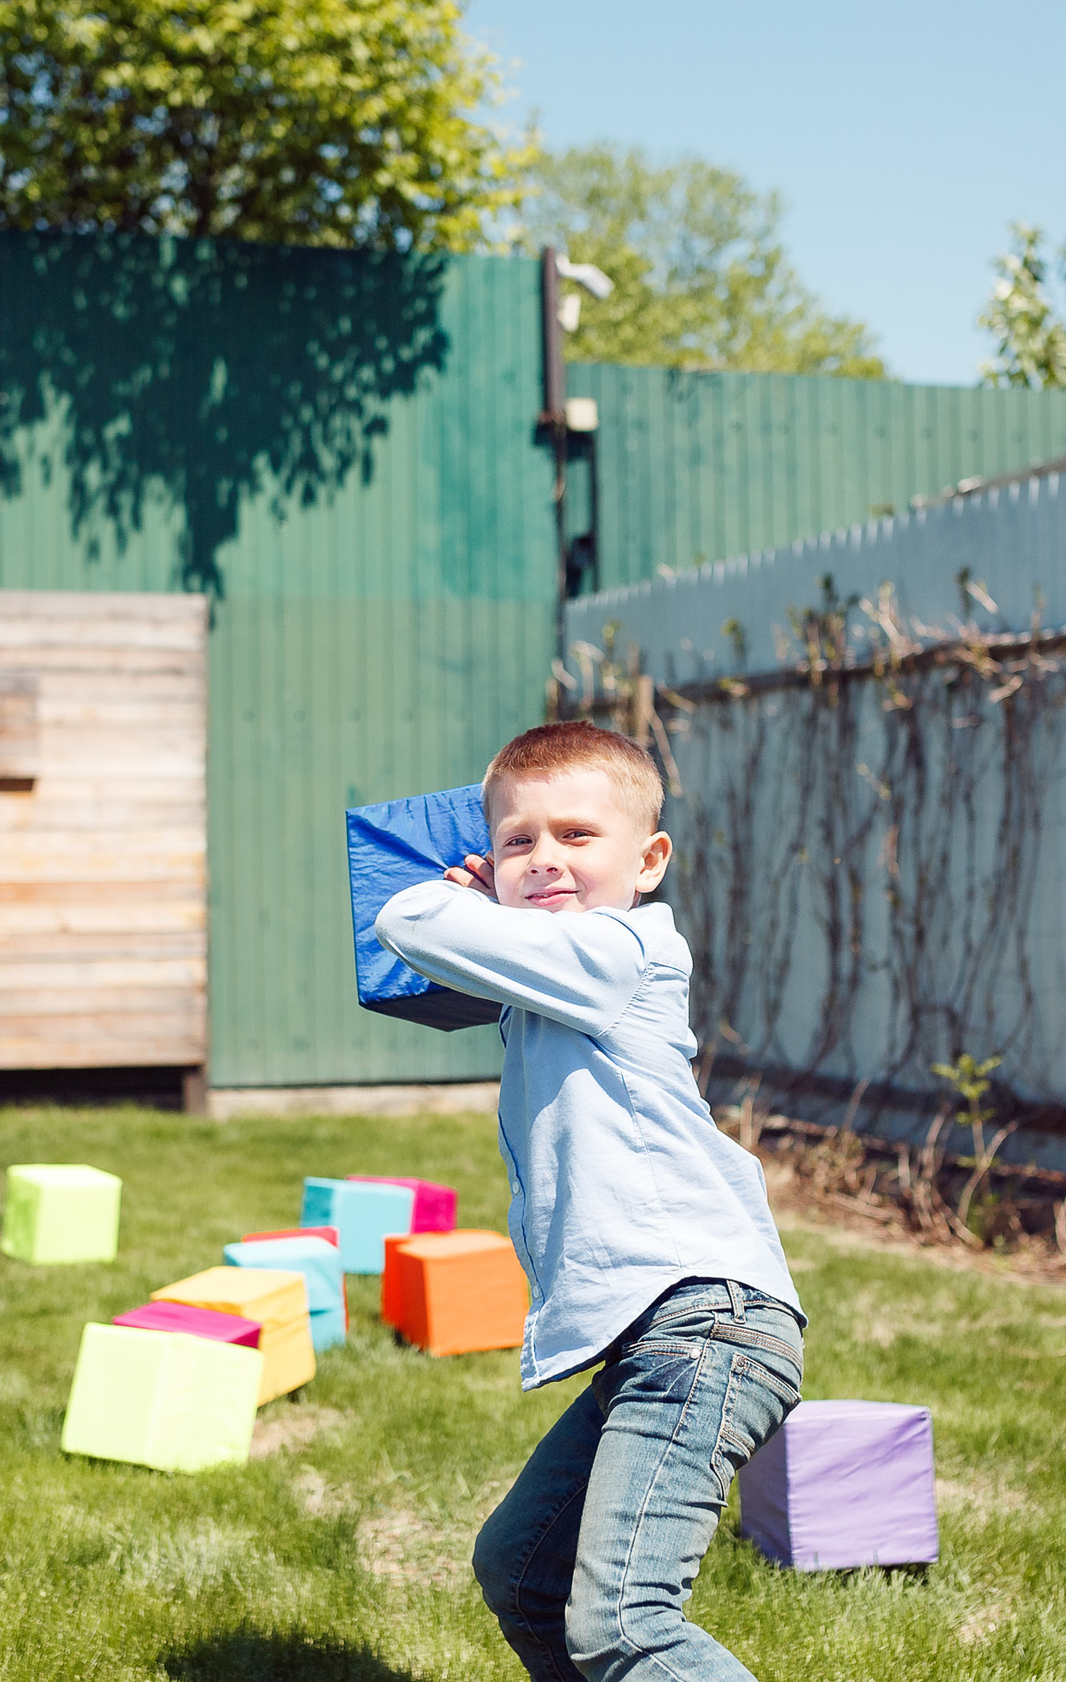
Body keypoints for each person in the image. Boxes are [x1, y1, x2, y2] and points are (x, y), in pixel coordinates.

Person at [374, 721, 805, 1682]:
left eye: (576, 835)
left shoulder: (622, 950)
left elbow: (408, 921)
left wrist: (472, 895)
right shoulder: (547, 983)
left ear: (648, 860)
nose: (544, 860)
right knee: (523, 1571)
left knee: (628, 1624)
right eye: (518, 841)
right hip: (660, 1334)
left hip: (705, 1327)